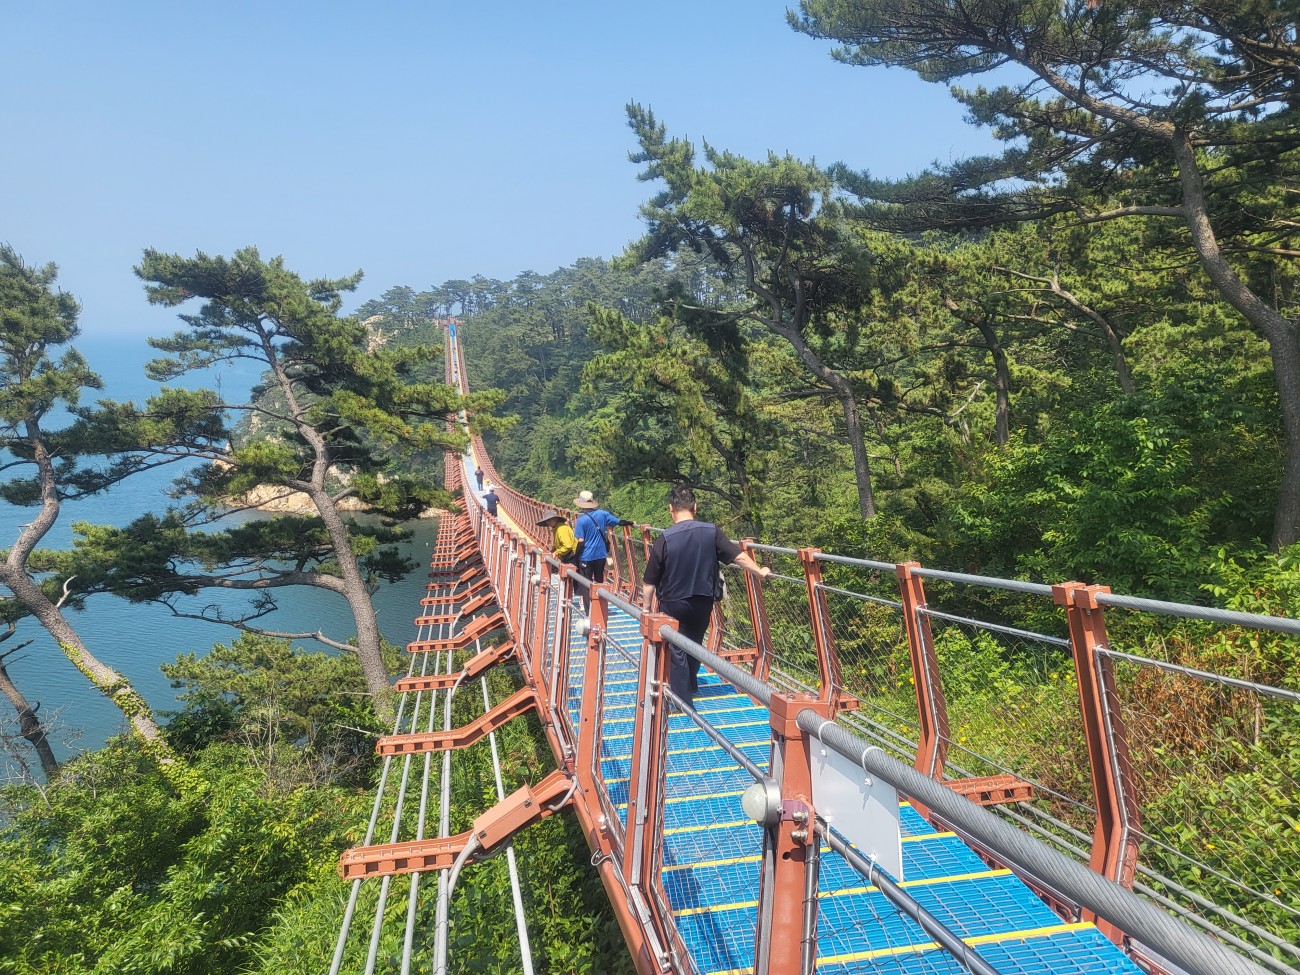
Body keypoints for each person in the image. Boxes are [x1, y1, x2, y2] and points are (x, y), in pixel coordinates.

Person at [641, 483, 771, 708]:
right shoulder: (712, 532)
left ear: (671, 509)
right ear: (695, 507)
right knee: (695, 642)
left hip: (674, 601)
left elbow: (649, 581)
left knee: (677, 649)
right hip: (703, 600)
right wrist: (759, 571)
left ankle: (683, 702)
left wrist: (645, 609)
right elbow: (738, 556)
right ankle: (691, 684)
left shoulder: (666, 538)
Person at [573, 489, 634, 610]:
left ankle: (588, 611)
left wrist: (576, 558)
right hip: (601, 554)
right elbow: (619, 522)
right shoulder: (603, 514)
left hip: (586, 556)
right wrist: (631, 522)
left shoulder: (581, 520)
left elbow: (580, 542)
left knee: (586, 584)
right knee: (600, 580)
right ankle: (600, 607)